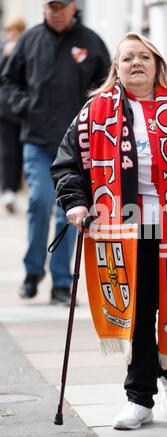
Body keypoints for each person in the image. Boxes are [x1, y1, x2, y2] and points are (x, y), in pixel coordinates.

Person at [51, 32, 167, 429]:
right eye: (127, 57)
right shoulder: (96, 111)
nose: (136, 63)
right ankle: (139, 398)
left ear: (157, 64)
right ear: (116, 68)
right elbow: (67, 164)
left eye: (144, 57)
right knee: (139, 314)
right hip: (127, 228)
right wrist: (76, 203)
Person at [1, 0, 111, 304]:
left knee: (69, 212)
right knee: (38, 201)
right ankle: (32, 271)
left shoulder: (91, 42)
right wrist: (23, 105)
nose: (57, 12)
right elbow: (9, 82)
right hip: (37, 140)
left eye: (62, 6)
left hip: (77, 146)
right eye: (52, 7)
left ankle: (62, 282)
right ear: (44, 9)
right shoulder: (30, 39)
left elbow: (108, 87)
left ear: (73, 7)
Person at [0, 17, 26, 213]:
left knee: (24, 154)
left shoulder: (27, 49)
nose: (11, 36)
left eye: (15, 32)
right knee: (8, 153)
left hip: (25, 113)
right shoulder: (3, 51)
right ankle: (9, 191)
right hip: (5, 112)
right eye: (9, 31)